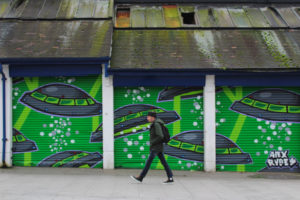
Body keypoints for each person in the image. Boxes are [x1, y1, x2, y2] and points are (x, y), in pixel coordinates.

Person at [130, 112, 174, 184]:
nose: (147, 118)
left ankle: (141, 177)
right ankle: (170, 177)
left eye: (148, 117)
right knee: (164, 162)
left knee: (148, 162)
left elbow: (160, 136)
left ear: (153, 117)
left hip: (156, 147)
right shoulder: (156, 123)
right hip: (158, 147)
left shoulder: (156, 124)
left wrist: (153, 142)